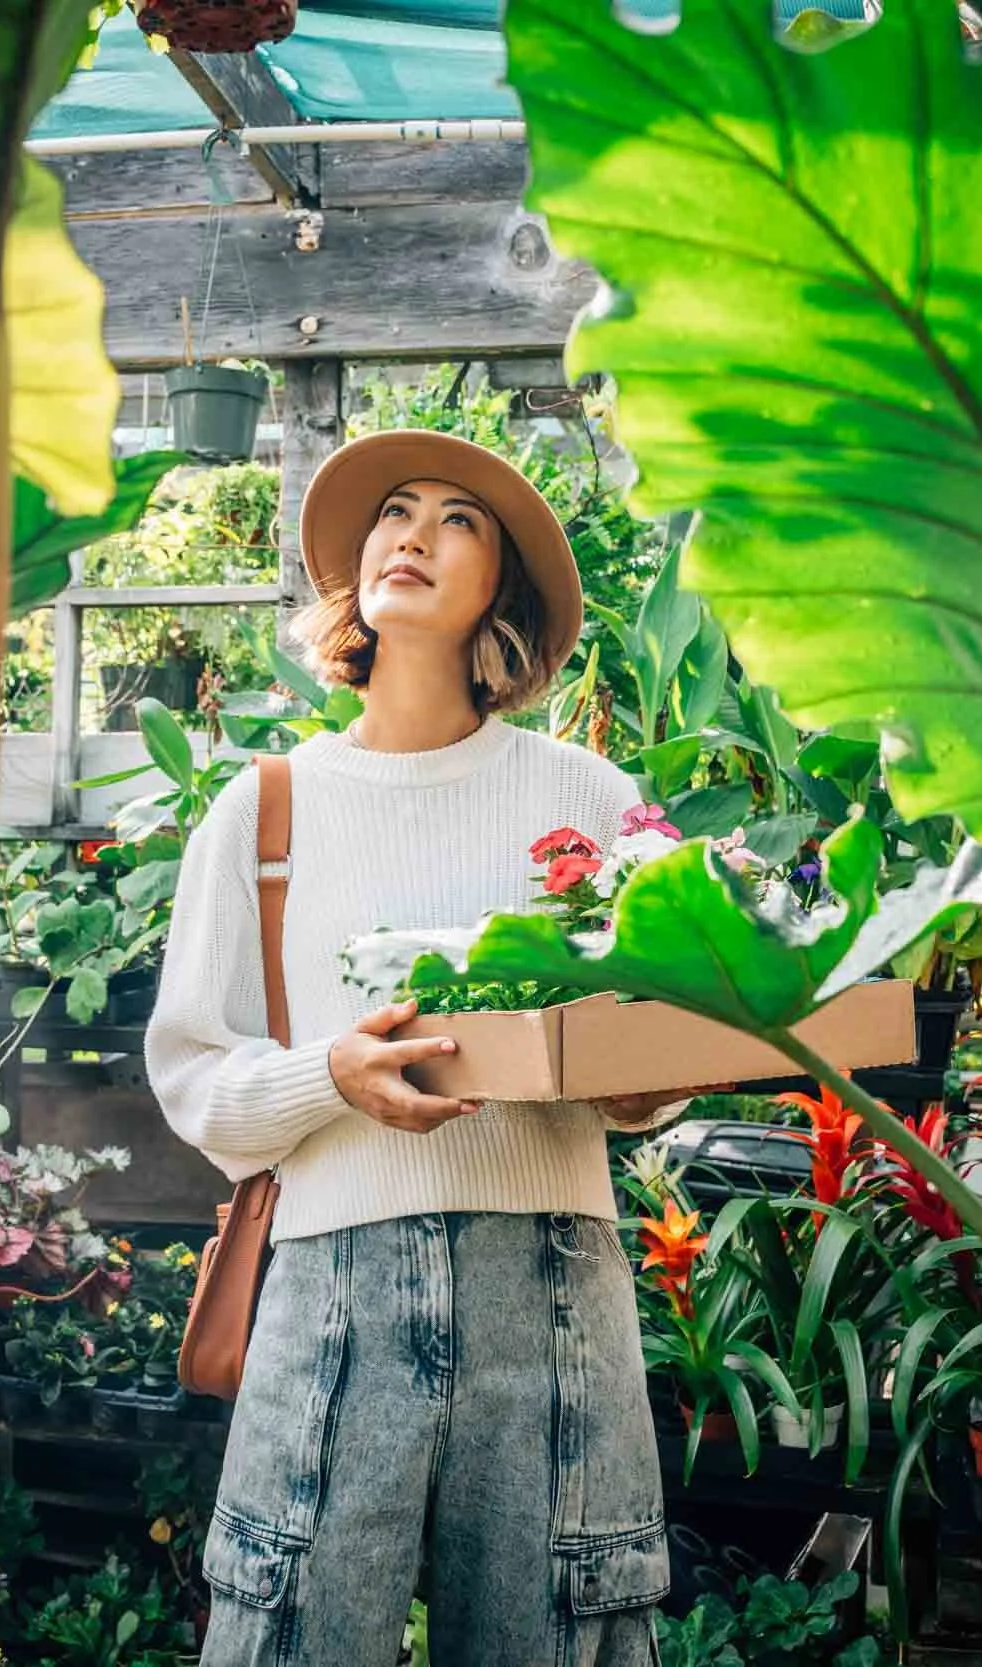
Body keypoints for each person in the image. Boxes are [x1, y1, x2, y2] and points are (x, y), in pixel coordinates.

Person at [147, 430, 685, 1664]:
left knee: (563, 1636)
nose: (412, 533)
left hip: (552, 1282)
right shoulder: (265, 804)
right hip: (332, 1284)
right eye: (395, 510)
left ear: (502, 586)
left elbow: (640, 1059)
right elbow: (193, 1080)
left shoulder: (593, 799)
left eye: (459, 520)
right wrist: (328, 1072)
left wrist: (651, 1084)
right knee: (293, 1638)